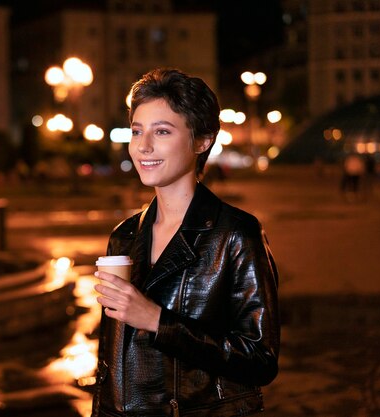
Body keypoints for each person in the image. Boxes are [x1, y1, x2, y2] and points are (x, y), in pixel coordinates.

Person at [93, 68, 280, 417]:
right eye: (137, 131)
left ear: (202, 141)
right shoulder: (124, 236)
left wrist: (157, 321)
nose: (143, 146)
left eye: (162, 131)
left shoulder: (236, 233)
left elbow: (260, 359)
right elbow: (112, 362)